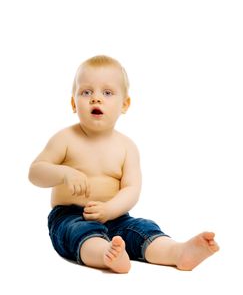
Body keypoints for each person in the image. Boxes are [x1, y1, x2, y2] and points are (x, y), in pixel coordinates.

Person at [28, 55, 219, 273]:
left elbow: (131, 189)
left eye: (107, 93)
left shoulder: (126, 146)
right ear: (73, 102)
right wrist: (63, 174)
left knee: (142, 228)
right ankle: (105, 254)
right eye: (86, 92)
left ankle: (176, 252)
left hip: (117, 217)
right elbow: (35, 172)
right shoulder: (65, 139)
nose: (96, 99)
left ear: (124, 104)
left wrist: (110, 209)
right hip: (71, 215)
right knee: (78, 232)